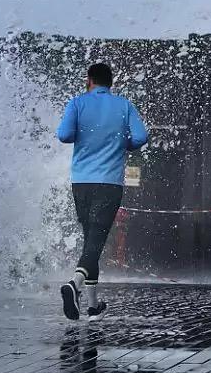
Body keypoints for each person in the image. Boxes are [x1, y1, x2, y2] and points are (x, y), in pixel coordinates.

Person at [56, 63, 148, 322]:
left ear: (89, 80)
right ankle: (73, 285)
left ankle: (93, 305)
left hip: (81, 183)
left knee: (91, 241)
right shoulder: (124, 106)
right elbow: (141, 137)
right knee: (95, 240)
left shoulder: (77, 103)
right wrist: (123, 143)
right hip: (109, 183)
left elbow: (64, 135)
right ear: (111, 82)